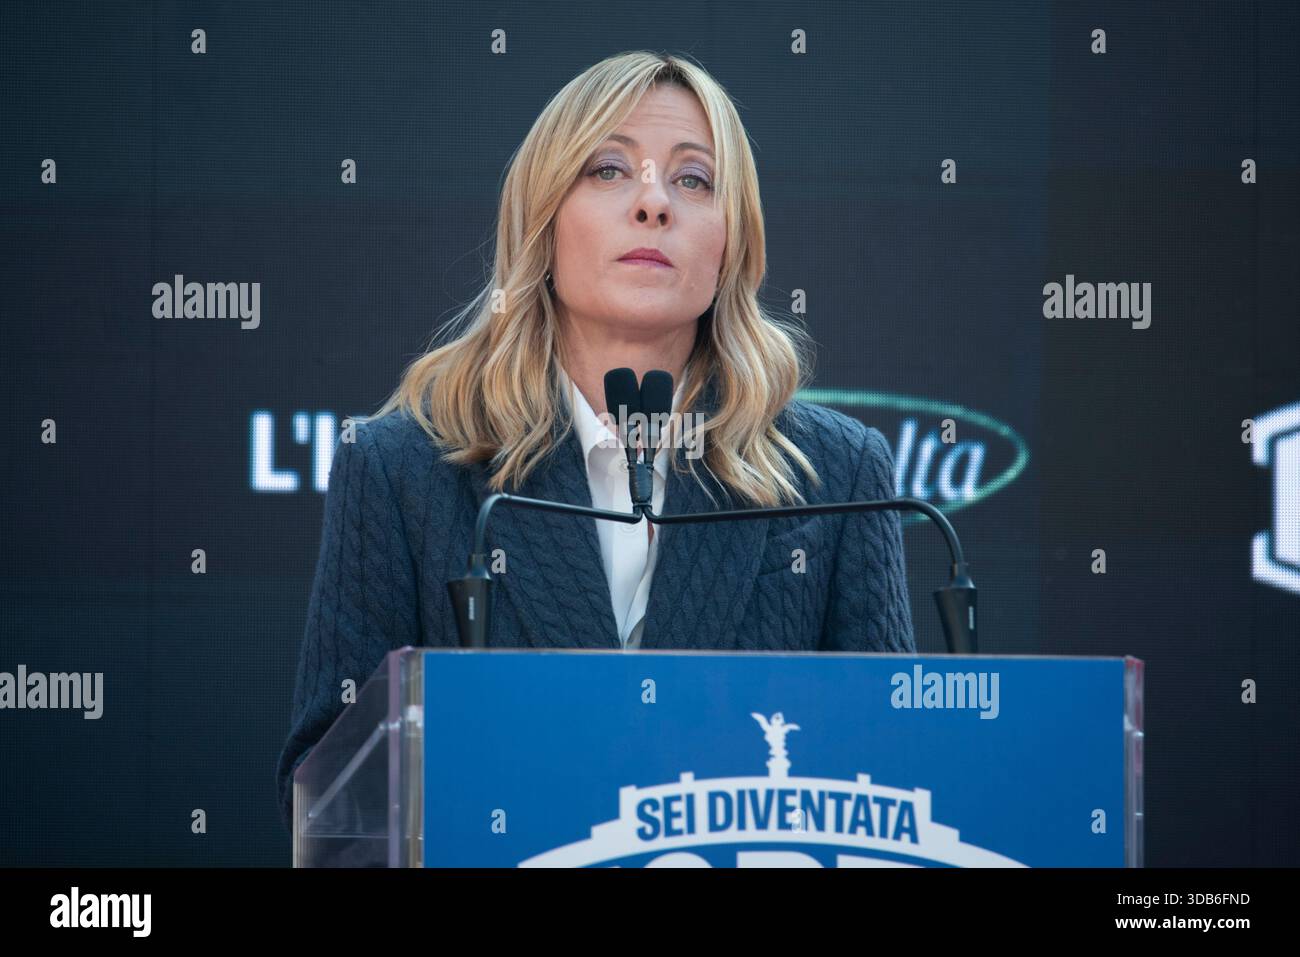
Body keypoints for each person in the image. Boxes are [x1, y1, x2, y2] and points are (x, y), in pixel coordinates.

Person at [276, 50, 915, 831]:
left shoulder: (840, 474)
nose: (654, 204)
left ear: (731, 243)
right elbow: (333, 798)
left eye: (693, 179)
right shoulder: (400, 468)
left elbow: (890, 767)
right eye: (609, 169)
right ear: (543, 221)